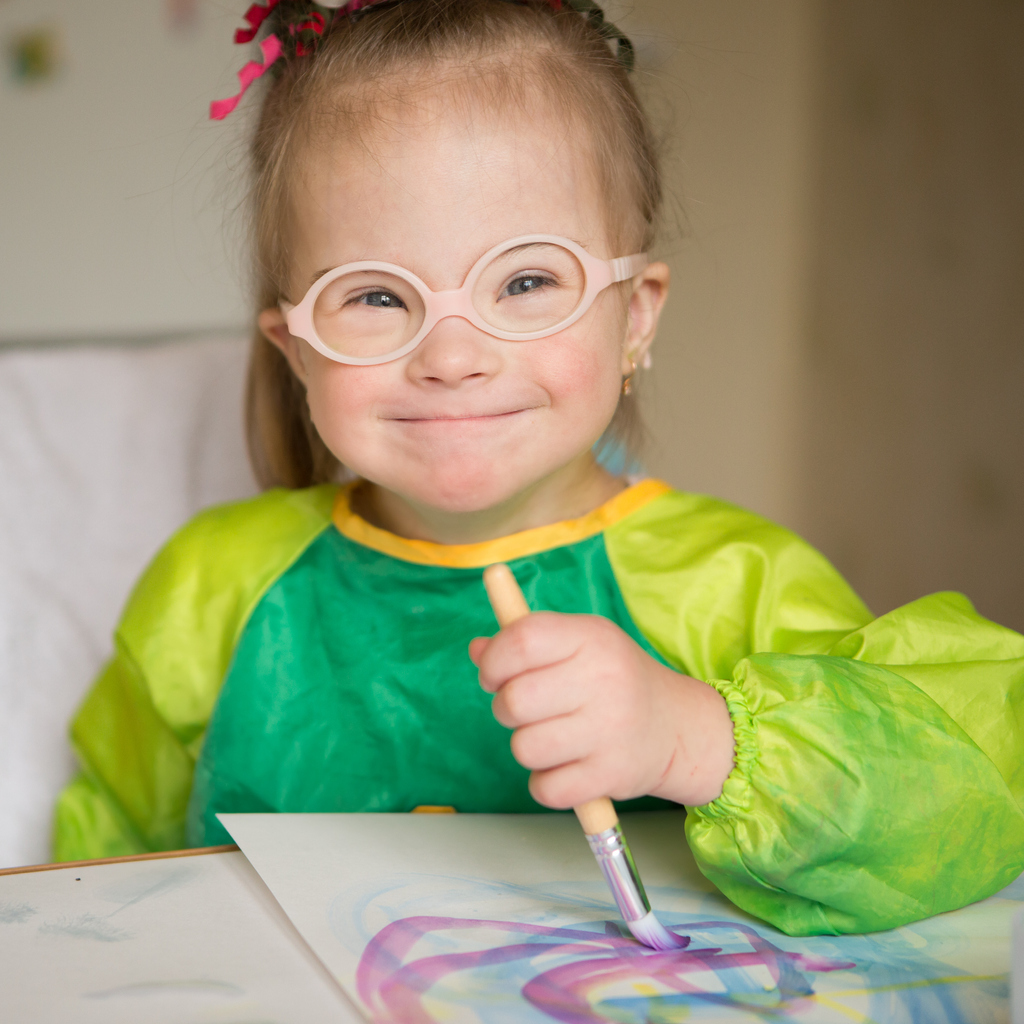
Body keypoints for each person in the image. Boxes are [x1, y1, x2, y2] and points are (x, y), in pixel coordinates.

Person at [54, 0, 1023, 938]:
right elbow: (98, 879)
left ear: (635, 315)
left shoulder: (732, 583)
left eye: (524, 281)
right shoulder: (209, 588)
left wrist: (695, 736)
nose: (451, 355)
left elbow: (969, 801)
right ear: (296, 347)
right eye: (375, 297)